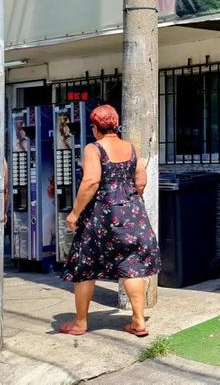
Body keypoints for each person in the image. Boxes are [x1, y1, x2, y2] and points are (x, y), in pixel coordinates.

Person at [58, 104, 160, 337]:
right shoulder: (131, 148)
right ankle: (138, 321)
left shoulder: (94, 148)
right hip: (132, 212)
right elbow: (141, 181)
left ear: (95, 127)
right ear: (116, 124)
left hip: (100, 216)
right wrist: (128, 200)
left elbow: (91, 181)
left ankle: (80, 323)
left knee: (85, 266)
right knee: (132, 265)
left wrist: (74, 214)